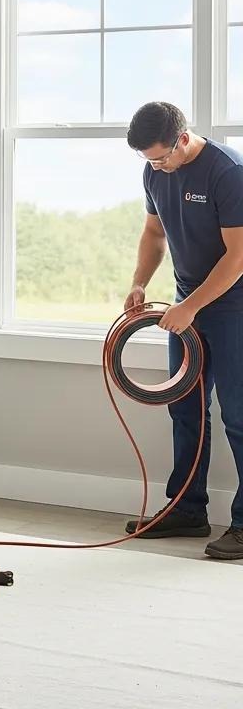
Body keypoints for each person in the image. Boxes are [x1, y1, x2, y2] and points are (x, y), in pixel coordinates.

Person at [123, 101, 243, 559]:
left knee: (239, 416)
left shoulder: (228, 172)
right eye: (148, 159)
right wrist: (139, 282)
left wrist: (190, 307)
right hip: (186, 305)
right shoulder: (156, 173)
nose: (157, 166)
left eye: (162, 156)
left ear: (183, 137)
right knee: (185, 408)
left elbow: (238, 256)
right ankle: (186, 509)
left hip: (233, 308)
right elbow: (155, 234)